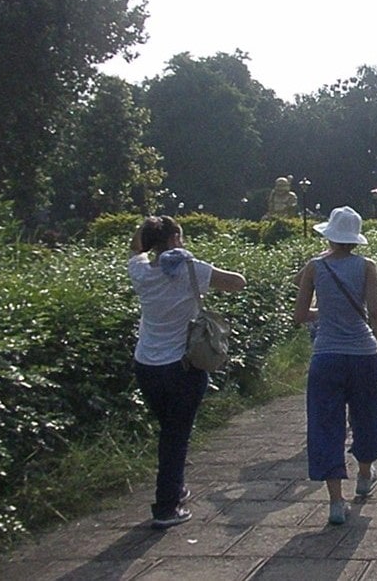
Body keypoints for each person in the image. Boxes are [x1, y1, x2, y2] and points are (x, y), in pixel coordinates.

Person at [128, 216, 246, 529]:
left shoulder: (140, 271)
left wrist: (146, 230)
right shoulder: (191, 269)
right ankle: (168, 506)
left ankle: (175, 487)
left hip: (146, 366)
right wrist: (193, 262)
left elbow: (134, 249)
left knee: (169, 430)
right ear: (176, 240)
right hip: (183, 367)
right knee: (175, 435)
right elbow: (238, 282)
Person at [293, 206, 377, 525]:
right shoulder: (367, 266)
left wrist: (325, 313)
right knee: (367, 415)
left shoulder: (314, 267)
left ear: (330, 234)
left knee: (326, 424)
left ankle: (336, 502)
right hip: (363, 354)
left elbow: (299, 315)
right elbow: (376, 312)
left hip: (326, 355)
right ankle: (364, 475)